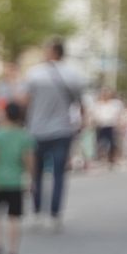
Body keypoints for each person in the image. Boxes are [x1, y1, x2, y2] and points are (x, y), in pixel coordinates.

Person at [20, 39, 85, 230]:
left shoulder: (34, 74)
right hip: (62, 130)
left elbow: (24, 100)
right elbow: (80, 103)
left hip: (37, 130)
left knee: (36, 173)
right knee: (58, 173)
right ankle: (55, 214)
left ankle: (38, 211)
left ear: (52, 52)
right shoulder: (73, 75)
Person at [0, 101, 34, 254]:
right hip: (16, 182)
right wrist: (30, 177)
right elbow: (28, 160)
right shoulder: (24, 136)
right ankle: (13, 251)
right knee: (14, 218)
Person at [90, 86, 125, 169]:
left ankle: (112, 159)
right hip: (101, 125)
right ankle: (101, 158)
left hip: (111, 125)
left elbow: (119, 115)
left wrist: (120, 125)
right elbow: (94, 115)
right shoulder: (97, 104)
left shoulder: (115, 104)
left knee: (113, 143)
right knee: (100, 143)